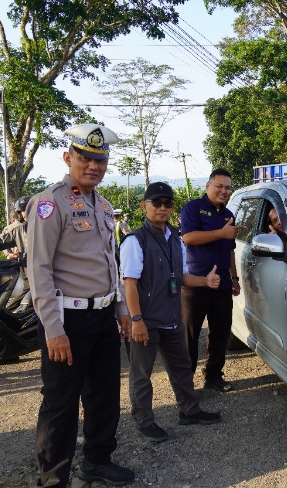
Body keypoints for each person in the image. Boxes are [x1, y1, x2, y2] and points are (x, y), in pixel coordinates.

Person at [26, 123, 134, 488]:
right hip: (67, 320)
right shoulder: (49, 203)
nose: (93, 166)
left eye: (100, 160)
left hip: (103, 315)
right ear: (67, 158)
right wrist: (53, 330)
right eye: (85, 158)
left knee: (104, 396)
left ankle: (97, 462)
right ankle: (52, 479)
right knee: (61, 402)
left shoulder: (102, 205)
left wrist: (120, 310)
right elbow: (39, 269)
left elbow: (110, 262)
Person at [120, 182, 222, 443]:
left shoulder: (175, 239)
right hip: (147, 321)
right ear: (144, 206)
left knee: (181, 367)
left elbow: (182, 277)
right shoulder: (135, 241)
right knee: (142, 375)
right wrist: (136, 320)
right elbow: (129, 284)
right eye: (157, 203)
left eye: (168, 203)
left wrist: (205, 281)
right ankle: (144, 421)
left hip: (173, 318)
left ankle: (189, 410)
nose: (162, 208)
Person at [180, 168, 244, 392]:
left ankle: (213, 376)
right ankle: (185, 382)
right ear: (208, 186)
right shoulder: (193, 208)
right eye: (219, 186)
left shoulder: (229, 215)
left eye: (228, 188)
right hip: (196, 284)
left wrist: (234, 277)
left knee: (220, 333)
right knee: (190, 335)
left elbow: (230, 250)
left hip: (222, 285)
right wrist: (220, 233)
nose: (224, 191)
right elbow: (188, 238)